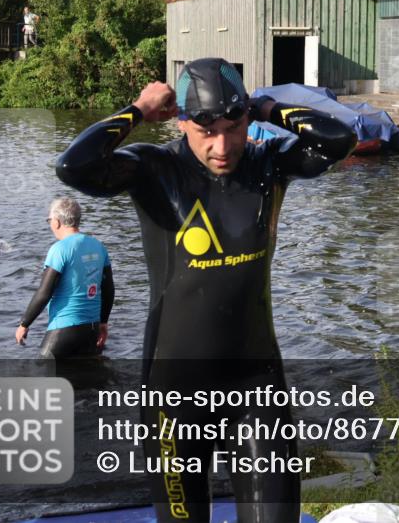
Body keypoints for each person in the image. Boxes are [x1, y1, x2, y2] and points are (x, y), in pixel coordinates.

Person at [55, 58, 356, 523]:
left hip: (257, 390)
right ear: (181, 123)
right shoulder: (154, 170)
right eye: (205, 131)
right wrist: (136, 110)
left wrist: (269, 108)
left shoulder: (266, 166)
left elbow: (340, 140)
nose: (222, 146)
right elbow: (74, 167)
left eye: (233, 128)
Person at [16, 197, 114, 359]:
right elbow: (108, 288)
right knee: (85, 379)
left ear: (56, 222)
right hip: (92, 329)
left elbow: (44, 292)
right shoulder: (98, 246)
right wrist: (103, 322)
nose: (50, 224)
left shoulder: (59, 249)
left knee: (42, 377)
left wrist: (24, 324)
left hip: (64, 329)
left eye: (49, 220)